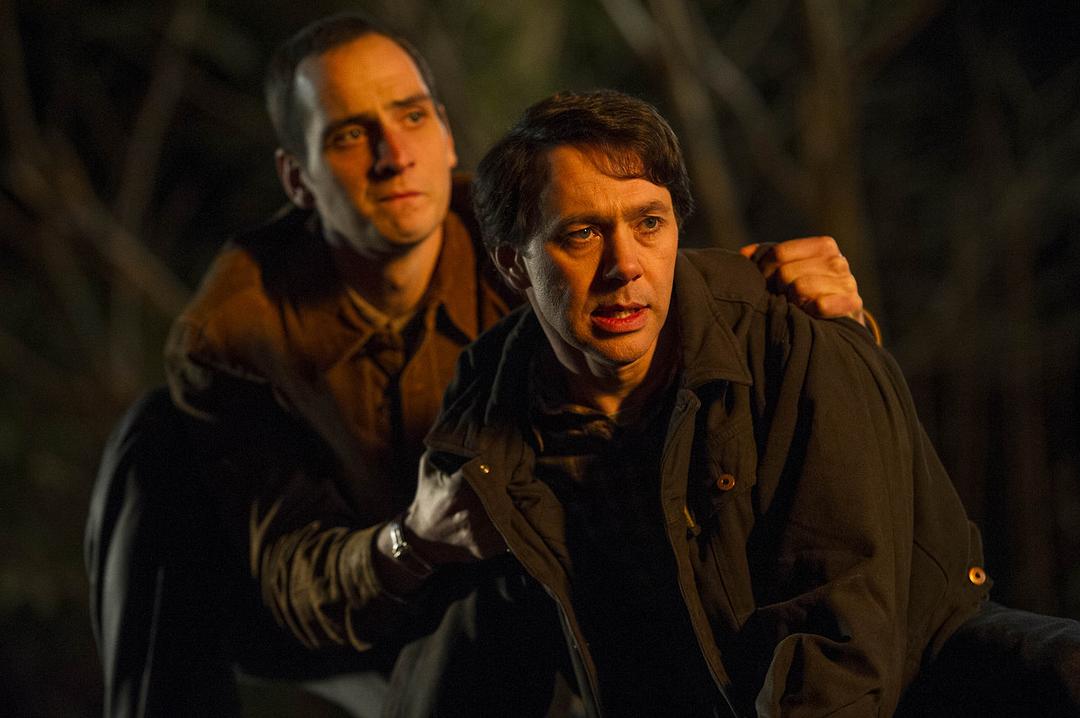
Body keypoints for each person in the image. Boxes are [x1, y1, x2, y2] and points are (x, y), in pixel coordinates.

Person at [83, 12, 868, 718]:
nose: (395, 156)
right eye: (351, 135)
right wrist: (413, 541)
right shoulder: (234, 328)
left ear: (447, 136)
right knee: (150, 443)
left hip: (518, 584)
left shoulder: (526, 234)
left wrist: (778, 301)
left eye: (413, 116)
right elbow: (291, 575)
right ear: (298, 180)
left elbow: (642, 286)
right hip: (354, 605)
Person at [379, 88, 995, 716]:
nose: (625, 266)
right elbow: (462, 658)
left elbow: (840, 648)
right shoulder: (488, 405)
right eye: (583, 233)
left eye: (649, 223)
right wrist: (410, 544)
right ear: (515, 265)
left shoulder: (788, 345)